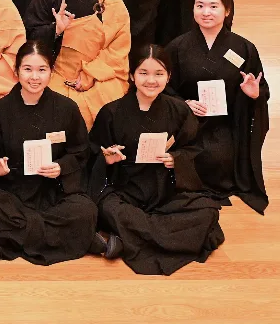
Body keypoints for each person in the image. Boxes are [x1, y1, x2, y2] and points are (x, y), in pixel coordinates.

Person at [88, 46, 225, 274]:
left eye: (159, 74)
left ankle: (128, 238)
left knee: (208, 211)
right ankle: (159, 236)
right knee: (109, 208)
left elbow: (194, 149)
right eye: (143, 73)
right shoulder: (111, 112)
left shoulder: (179, 110)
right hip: (124, 189)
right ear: (132, 75)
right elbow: (92, 154)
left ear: (168, 77)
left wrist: (176, 160)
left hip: (164, 189)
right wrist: (106, 159)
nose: (151, 80)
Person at [0, 40, 99, 265]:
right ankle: (73, 238)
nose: (34, 77)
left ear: (51, 72)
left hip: (53, 191)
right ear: (16, 71)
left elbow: (81, 151)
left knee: (85, 210)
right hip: (12, 193)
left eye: (42, 70)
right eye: (28, 69)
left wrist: (61, 167)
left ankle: (24, 237)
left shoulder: (67, 108)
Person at [163, 0, 269, 214]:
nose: (206, 12)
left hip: (225, 125)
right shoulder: (178, 47)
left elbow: (262, 89)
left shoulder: (243, 48)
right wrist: (184, 104)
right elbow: (163, 87)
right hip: (188, 125)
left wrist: (254, 94)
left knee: (219, 160)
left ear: (227, 10)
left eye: (213, 6)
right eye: (200, 6)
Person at [25, 0, 131, 127]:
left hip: (99, 72)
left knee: (111, 107)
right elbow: (30, 41)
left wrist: (91, 73)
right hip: (56, 72)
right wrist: (55, 30)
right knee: (51, 109)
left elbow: (119, 45)